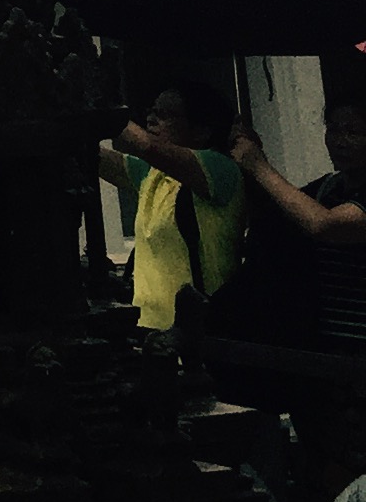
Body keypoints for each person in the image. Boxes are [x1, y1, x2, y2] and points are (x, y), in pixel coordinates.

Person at [97, 79, 247, 332]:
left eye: (165, 115)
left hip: (202, 335)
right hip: (150, 330)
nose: (151, 120)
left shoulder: (220, 167)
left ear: (201, 131)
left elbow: (147, 146)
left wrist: (104, 108)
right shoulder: (152, 173)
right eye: (152, 111)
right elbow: (95, 159)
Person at [229, 92, 366, 349]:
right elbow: (284, 213)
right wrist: (253, 160)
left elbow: (324, 224)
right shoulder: (328, 188)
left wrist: (259, 166)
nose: (340, 141)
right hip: (323, 340)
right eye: (333, 129)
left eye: (353, 132)